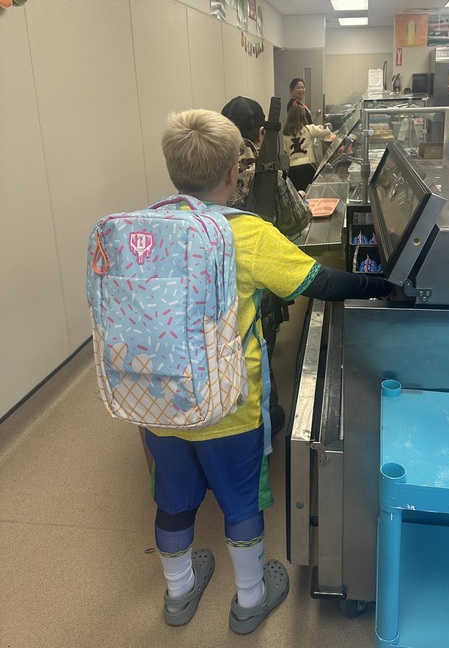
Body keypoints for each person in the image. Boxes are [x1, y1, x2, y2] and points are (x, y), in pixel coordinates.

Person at [146, 108, 393, 634]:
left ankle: (179, 592)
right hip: (230, 406)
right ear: (235, 172)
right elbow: (316, 283)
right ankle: (251, 599)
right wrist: (382, 286)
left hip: (159, 403)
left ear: (172, 170)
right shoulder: (244, 234)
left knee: (172, 501)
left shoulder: (144, 228)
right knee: (240, 504)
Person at [221, 95, 303, 436]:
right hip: (257, 278)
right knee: (259, 343)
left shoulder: (206, 164)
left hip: (211, 274)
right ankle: (263, 417)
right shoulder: (265, 167)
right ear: (260, 131)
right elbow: (296, 221)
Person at [283, 100, 333, 191]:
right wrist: (328, 126)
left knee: (297, 196)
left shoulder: (285, 134)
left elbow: (286, 151)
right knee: (309, 194)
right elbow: (327, 131)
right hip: (308, 167)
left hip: (293, 169)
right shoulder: (309, 129)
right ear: (302, 117)